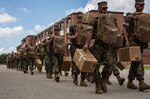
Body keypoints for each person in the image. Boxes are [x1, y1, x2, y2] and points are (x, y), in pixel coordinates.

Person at [84, 1, 122, 94]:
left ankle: (102, 81)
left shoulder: (110, 19)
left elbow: (116, 31)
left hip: (108, 46)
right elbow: (89, 32)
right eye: (103, 8)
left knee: (110, 65)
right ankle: (97, 86)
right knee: (96, 67)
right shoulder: (94, 19)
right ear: (99, 9)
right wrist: (86, 44)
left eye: (106, 8)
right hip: (97, 46)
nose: (105, 10)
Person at [123, 0, 150, 91]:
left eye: (143, 5)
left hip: (141, 42)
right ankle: (141, 82)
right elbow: (124, 29)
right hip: (133, 41)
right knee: (139, 60)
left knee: (135, 62)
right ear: (135, 6)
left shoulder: (145, 17)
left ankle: (130, 82)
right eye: (139, 5)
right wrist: (126, 41)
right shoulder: (131, 16)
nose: (142, 7)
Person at [67, 12, 88, 87]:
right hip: (74, 47)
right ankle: (75, 75)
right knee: (76, 63)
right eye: (78, 17)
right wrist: (74, 36)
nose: (80, 18)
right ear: (76, 18)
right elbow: (68, 36)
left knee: (85, 63)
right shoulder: (73, 26)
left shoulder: (87, 26)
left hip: (84, 47)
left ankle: (82, 80)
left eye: (81, 17)